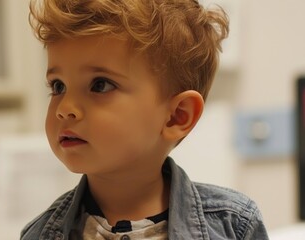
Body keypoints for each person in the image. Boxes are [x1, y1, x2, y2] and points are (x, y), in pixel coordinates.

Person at [21, 0, 268, 239]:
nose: (65, 109)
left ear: (177, 116)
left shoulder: (234, 227)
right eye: (58, 86)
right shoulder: (38, 234)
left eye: (100, 85)